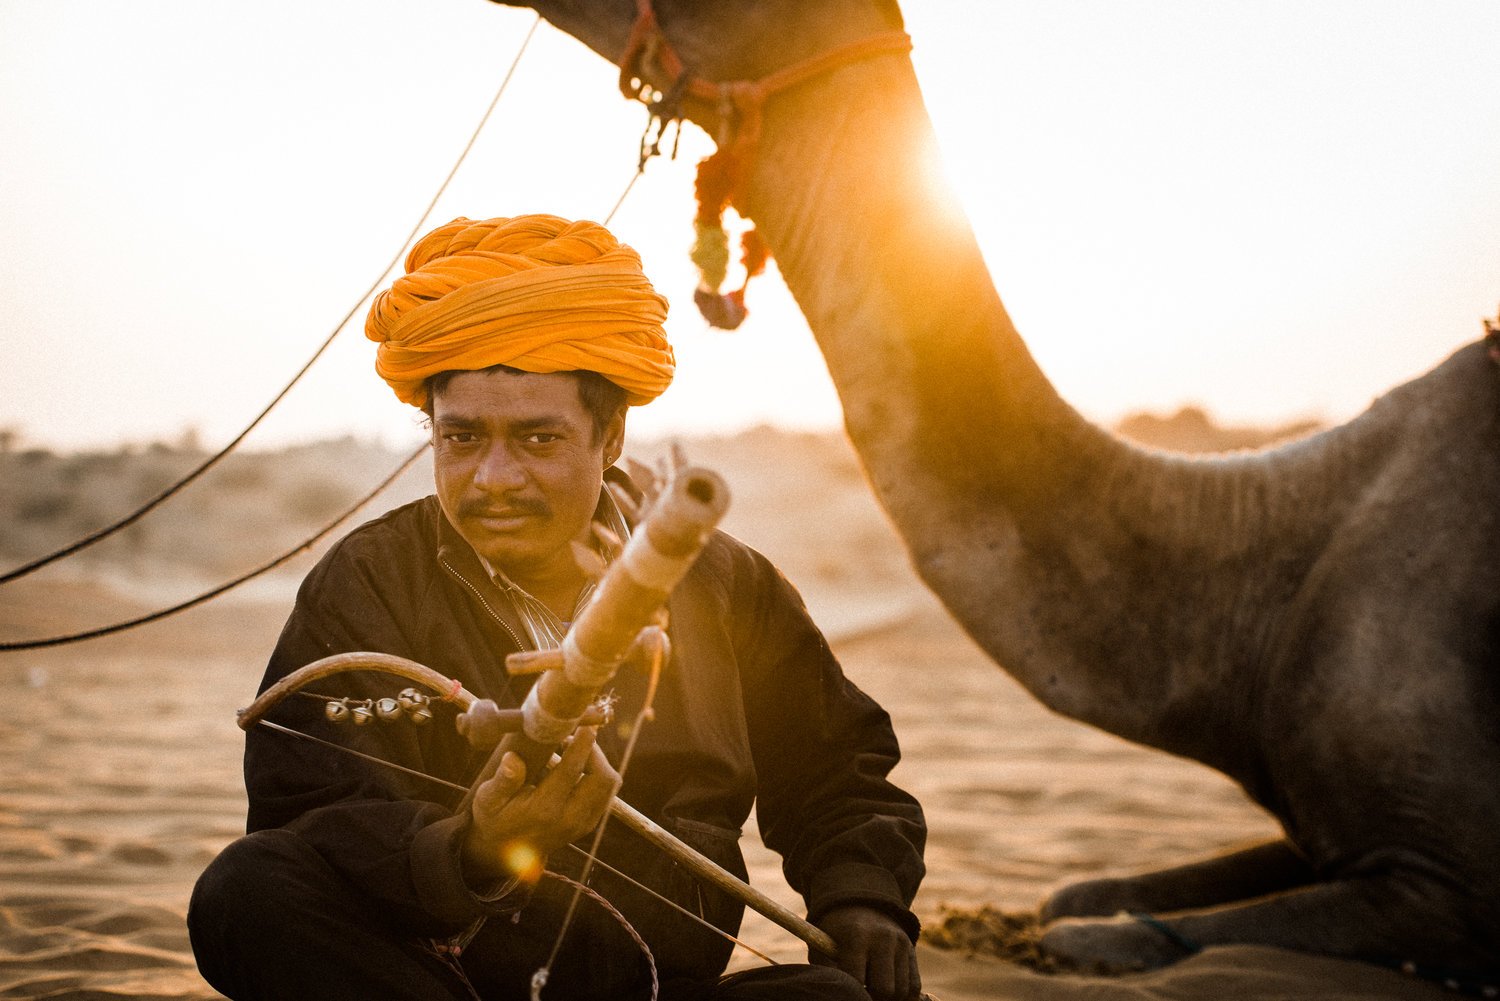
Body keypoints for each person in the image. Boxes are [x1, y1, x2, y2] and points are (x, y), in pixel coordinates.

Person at [188, 214, 927, 1001]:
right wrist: (471, 847)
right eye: (462, 438)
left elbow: (835, 769)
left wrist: (861, 898)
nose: (494, 477)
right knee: (244, 892)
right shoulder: (368, 578)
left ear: (609, 437)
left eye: (537, 440)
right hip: (433, 979)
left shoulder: (723, 582)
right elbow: (303, 809)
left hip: (650, 978)